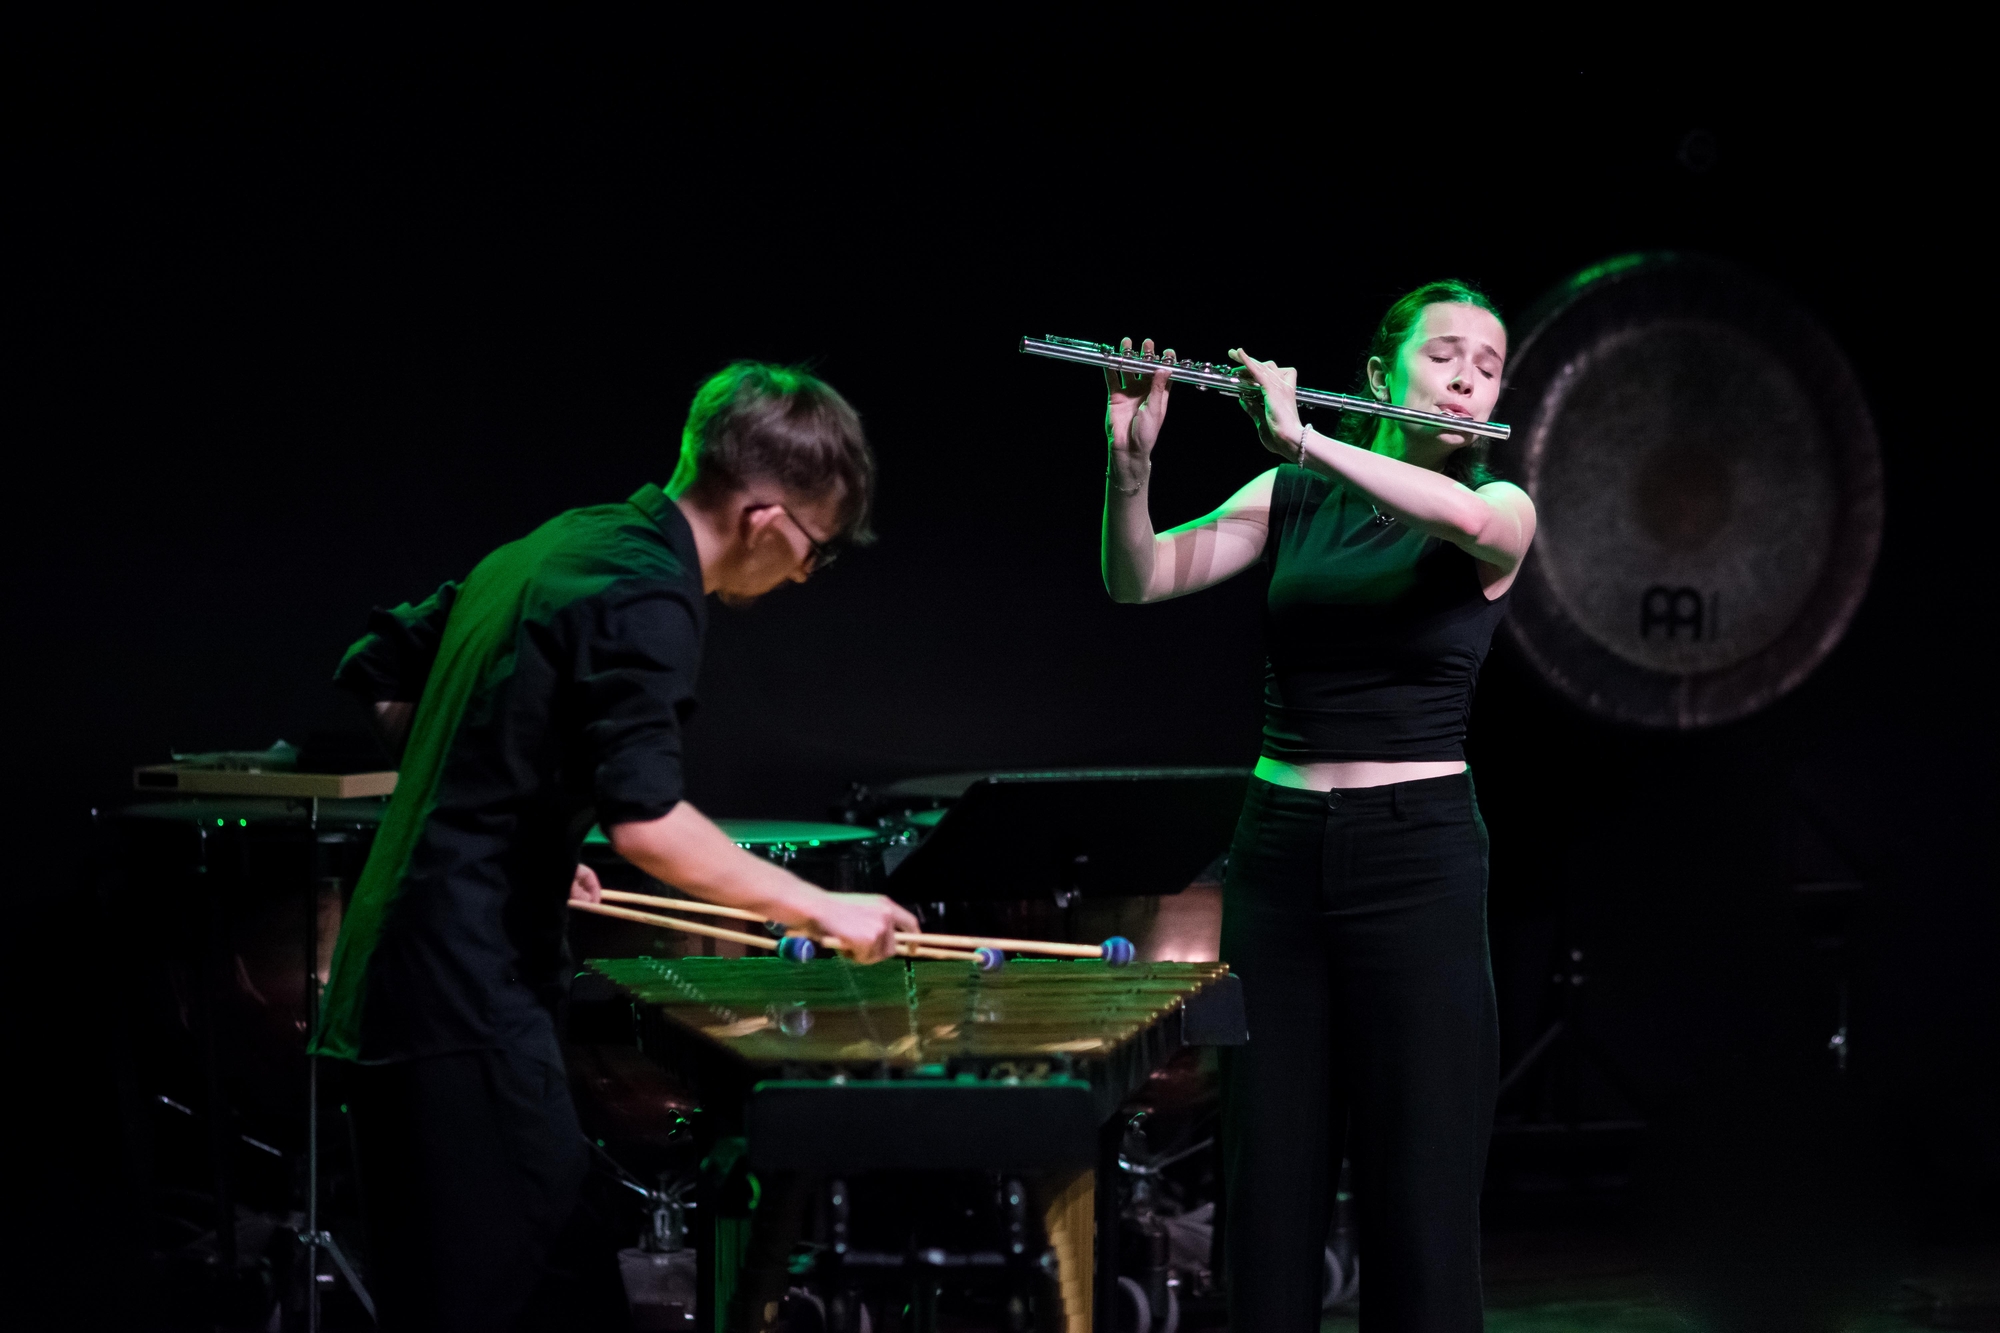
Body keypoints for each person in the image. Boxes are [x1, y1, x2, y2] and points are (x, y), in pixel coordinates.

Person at [314, 361, 919, 1332]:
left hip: (392, 993)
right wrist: (821, 906)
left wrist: (512, 820)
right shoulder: (648, 596)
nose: (807, 573)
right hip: (462, 1004)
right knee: (544, 1301)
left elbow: (379, 665)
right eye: (817, 548)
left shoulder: (570, 540)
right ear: (766, 519)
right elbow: (648, 821)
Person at [1098, 283, 1535, 1331]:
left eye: (1486, 366)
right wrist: (1130, 472)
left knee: (1420, 1195)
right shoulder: (1290, 492)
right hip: (1280, 857)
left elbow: (1464, 518)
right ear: (1381, 373)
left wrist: (1306, 437)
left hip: (1418, 862)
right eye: (1444, 356)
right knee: (1269, 1179)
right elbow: (1138, 577)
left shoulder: (1501, 506)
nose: (1467, 381)